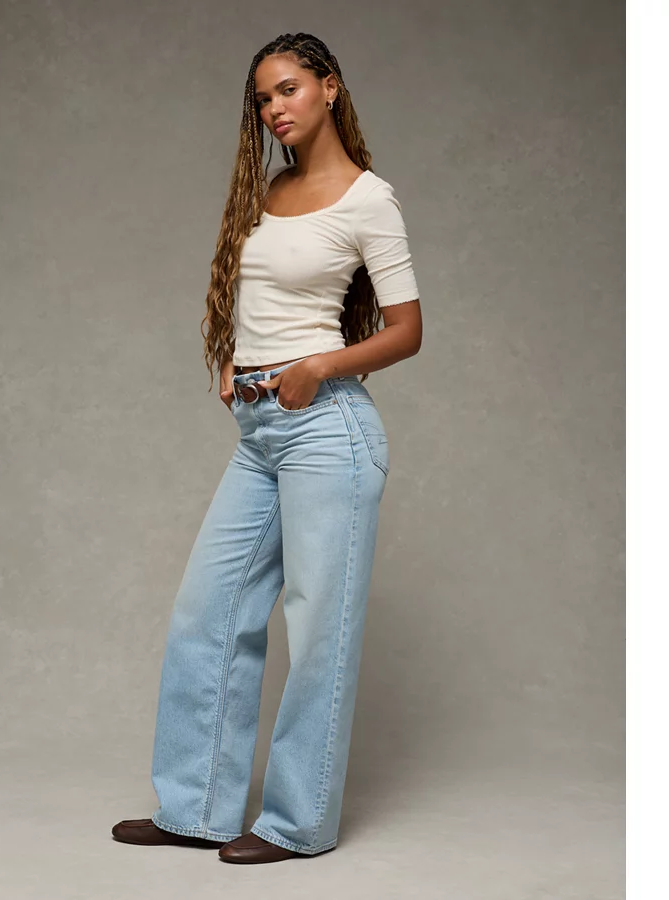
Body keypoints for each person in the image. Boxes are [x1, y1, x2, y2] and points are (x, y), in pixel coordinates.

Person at [112, 31, 422, 865]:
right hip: (260, 433)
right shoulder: (271, 189)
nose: (274, 108)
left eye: (288, 88)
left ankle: (297, 823)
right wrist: (235, 361)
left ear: (330, 87)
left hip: (328, 430)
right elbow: (259, 301)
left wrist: (317, 366)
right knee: (207, 614)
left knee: (318, 631)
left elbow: (407, 331)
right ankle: (194, 809)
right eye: (261, 98)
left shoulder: (369, 200)